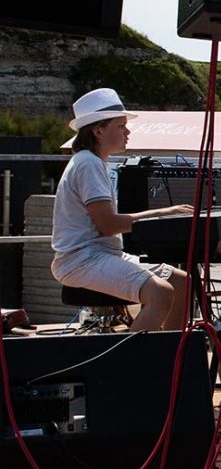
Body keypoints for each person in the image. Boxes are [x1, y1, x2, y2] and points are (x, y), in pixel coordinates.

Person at [51, 88, 192, 332]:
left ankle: (170, 352)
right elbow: (108, 225)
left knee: (183, 283)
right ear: (98, 131)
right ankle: (130, 356)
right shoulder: (88, 164)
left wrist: (164, 216)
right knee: (161, 292)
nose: (127, 132)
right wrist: (163, 214)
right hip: (81, 260)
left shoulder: (92, 162)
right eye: (121, 126)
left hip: (100, 256)